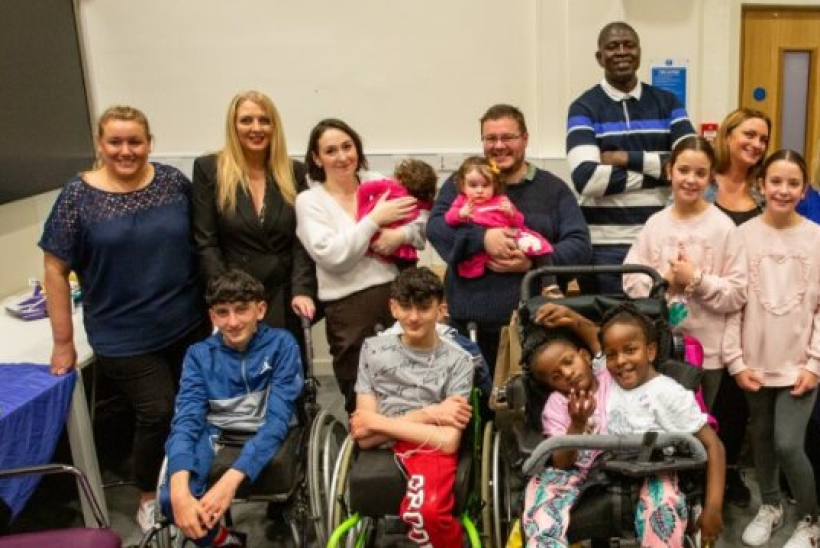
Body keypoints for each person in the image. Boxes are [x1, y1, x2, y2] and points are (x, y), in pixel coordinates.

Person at [39, 105, 210, 532]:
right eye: (115, 142)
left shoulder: (172, 182)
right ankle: (149, 495)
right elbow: (54, 270)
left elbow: (201, 240)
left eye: (135, 141)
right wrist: (63, 342)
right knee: (159, 410)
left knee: (194, 405)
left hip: (186, 322)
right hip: (123, 335)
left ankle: (187, 483)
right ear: (100, 144)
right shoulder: (77, 197)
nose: (126, 150)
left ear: (149, 143)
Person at [522, 303, 725, 547]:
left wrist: (714, 507)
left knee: (663, 501)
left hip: (647, 464)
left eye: (630, 350)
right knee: (541, 490)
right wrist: (577, 423)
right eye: (611, 355)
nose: (620, 361)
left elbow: (713, 445)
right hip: (590, 466)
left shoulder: (626, 381)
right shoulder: (590, 383)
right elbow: (607, 343)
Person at [427, 104, 591, 369]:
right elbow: (436, 228)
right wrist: (483, 240)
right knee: (472, 395)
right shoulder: (463, 183)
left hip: (536, 326)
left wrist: (533, 264)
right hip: (469, 327)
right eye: (490, 138)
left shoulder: (553, 189)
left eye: (508, 137)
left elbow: (580, 246)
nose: (499, 146)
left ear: (525, 139)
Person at [161, 269, 303, 548]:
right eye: (222, 313)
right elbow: (186, 420)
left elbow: (277, 421)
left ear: (260, 310)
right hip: (218, 430)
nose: (233, 321)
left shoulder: (282, 344)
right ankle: (225, 541)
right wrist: (178, 488)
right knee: (169, 499)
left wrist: (230, 481)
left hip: (268, 429)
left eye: (241, 310)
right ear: (213, 317)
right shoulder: (199, 355)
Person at [724, 150, 820, 547]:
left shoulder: (816, 237)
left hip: (800, 364)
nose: (783, 190)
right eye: (775, 181)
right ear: (761, 185)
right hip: (755, 361)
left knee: (788, 443)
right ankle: (770, 504)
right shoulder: (742, 236)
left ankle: (811, 519)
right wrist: (735, 361)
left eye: (792, 183)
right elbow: (733, 304)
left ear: (804, 190)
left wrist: (815, 363)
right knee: (761, 438)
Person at [295, 118, 425, 412]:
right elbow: (332, 256)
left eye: (347, 146)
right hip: (348, 310)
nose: (342, 157)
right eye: (330, 151)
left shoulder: (377, 182)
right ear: (316, 158)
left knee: (410, 389)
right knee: (361, 396)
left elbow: (419, 226)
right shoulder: (309, 201)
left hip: (397, 297)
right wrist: (374, 221)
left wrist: (399, 236)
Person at [566, 21, 696, 294]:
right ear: (599, 57)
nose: (622, 51)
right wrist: (660, 174)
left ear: (639, 51)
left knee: (658, 319)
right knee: (608, 321)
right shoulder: (583, 107)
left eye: (629, 45)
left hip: (660, 241)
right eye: (613, 47)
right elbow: (587, 179)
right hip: (603, 249)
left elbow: (690, 164)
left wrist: (623, 157)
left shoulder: (668, 103)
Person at [350, 267, 474, 547]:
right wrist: (429, 413)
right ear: (393, 308)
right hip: (407, 440)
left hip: (431, 452)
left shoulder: (460, 362)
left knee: (427, 512)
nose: (414, 317)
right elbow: (362, 435)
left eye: (424, 308)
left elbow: (448, 442)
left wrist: (379, 423)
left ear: (441, 310)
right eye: (405, 307)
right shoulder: (372, 350)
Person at [623, 135, 747, 406]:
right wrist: (664, 283)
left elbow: (737, 293)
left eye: (700, 173)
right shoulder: (655, 224)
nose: (691, 180)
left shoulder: (723, 227)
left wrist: (697, 280)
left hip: (706, 354)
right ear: (670, 171)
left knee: (698, 422)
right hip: (658, 348)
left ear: (711, 177)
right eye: (683, 170)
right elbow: (630, 280)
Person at [191, 90, 316, 355]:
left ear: (274, 126)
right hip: (233, 297)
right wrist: (226, 296)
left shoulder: (295, 172)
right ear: (233, 126)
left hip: (282, 294)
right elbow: (206, 241)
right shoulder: (209, 169)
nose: (256, 128)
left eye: (264, 120)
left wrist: (302, 289)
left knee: (285, 371)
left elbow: (302, 241)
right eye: (246, 120)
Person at [706, 107, 771, 508]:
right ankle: (695, 470)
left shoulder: (765, 191)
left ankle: (727, 472)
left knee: (734, 397)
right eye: (748, 134)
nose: (756, 144)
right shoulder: (701, 179)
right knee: (699, 394)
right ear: (728, 135)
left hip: (748, 307)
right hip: (702, 305)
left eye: (763, 139)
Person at [445, 156, 553, 280]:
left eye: (485, 185)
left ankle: (549, 283)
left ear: (494, 185)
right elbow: (449, 219)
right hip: (481, 248)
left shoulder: (501, 200)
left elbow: (519, 222)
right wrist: (460, 214)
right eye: (473, 185)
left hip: (511, 239)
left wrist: (511, 213)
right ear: (463, 186)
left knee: (538, 245)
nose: (479, 190)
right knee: (472, 263)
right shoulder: (462, 202)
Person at [356, 157, 438, 266]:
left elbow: (363, 189)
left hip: (375, 245)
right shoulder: (424, 205)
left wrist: (362, 213)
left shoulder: (389, 187)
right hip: (404, 257)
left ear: (399, 179)